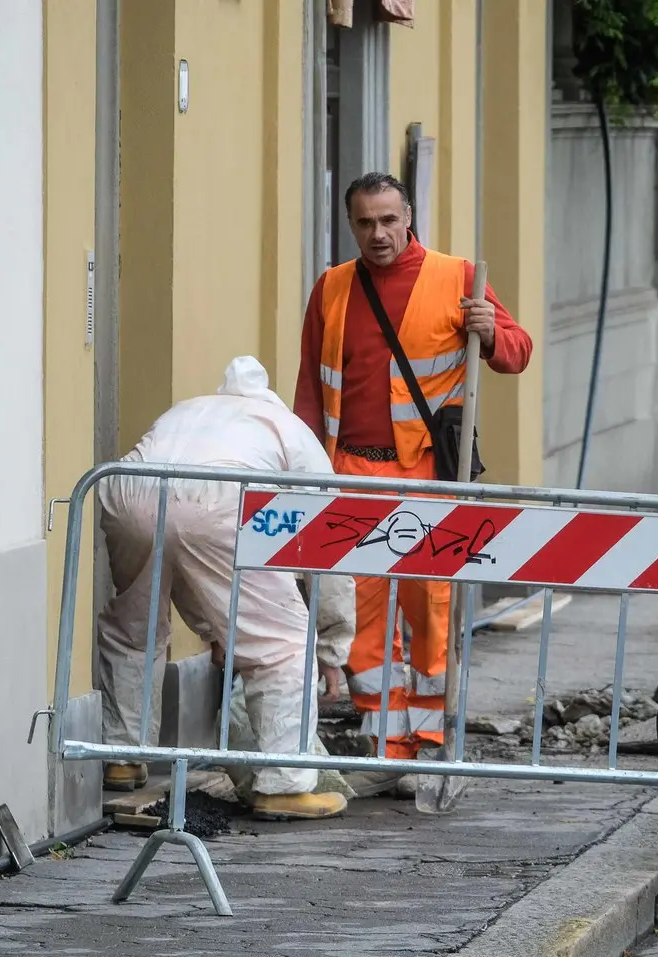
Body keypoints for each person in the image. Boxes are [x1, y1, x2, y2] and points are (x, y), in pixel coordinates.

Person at [294, 172, 533, 795]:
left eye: (388, 220)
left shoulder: (457, 278)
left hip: (427, 472)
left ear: (409, 218)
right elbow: (309, 390)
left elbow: (517, 352)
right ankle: (385, 748)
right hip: (352, 473)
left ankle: (429, 745)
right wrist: (303, 470)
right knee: (361, 617)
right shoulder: (333, 288)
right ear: (351, 226)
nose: (378, 233)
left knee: (432, 611)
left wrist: (490, 331)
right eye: (365, 223)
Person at [97, 356, 357, 821]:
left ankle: (122, 755)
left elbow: (185, 552)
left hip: (128, 489)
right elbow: (329, 547)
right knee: (282, 645)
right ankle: (284, 782)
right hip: (220, 497)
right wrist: (332, 648)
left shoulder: (189, 411)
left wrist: (217, 628)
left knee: (134, 628)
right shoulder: (288, 429)